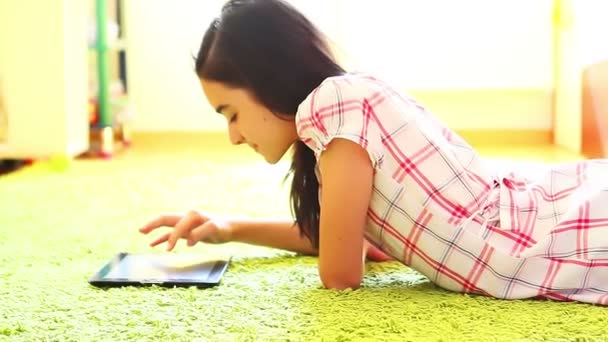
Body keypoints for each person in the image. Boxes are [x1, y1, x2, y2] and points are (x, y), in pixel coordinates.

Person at [139, 0, 608, 305]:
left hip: (538, 233)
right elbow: (340, 233)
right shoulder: (337, 114)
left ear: (266, 79)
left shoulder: (333, 106)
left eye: (230, 112)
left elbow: (342, 271)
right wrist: (227, 228)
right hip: (532, 214)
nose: (234, 136)